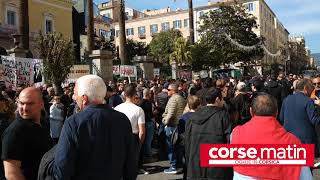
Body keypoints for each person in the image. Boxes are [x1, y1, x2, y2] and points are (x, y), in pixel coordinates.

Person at [53, 75, 136, 180]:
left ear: (84, 99)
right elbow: (131, 162)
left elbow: (62, 167)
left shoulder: (73, 123)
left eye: (75, 93)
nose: (74, 97)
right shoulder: (122, 120)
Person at [232, 94, 312, 180]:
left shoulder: (236, 133)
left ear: (251, 111)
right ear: (277, 112)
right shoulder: (295, 142)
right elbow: (306, 177)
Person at [1, 87, 52, 180]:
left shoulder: (43, 124)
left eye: (30, 104)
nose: (25, 108)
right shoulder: (15, 131)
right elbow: (11, 173)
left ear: (41, 104)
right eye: (21, 103)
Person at [185, 88, 233, 179]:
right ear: (217, 99)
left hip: (195, 165)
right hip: (217, 168)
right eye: (222, 99)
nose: (223, 101)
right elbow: (229, 141)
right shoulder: (223, 116)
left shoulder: (193, 116)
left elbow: (187, 143)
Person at [280, 79, 320, 155]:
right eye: (311, 87)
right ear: (305, 88)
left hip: (289, 138)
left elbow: (281, 118)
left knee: (292, 164)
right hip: (306, 140)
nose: (313, 89)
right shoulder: (308, 101)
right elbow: (315, 120)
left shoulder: (286, 100)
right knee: (306, 166)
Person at [114, 83, 146, 174]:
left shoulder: (117, 108)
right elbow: (142, 131)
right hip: (133, 138)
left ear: (124, 94)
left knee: (120, 165)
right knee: (131, 167)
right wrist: (139, 144)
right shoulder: (138, 110)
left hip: (120, 137)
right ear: (135, 94)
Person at [162, 83, 186, 174]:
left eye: (168, 90)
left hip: (172, 126)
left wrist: (165, 122)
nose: (167, 91)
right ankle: (178, 165)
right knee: (177, 147)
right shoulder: (180, 98)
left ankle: (173, 166)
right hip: (178, 125)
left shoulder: (173, 99)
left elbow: (170, 114)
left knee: (171, 147)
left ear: (173, 90)